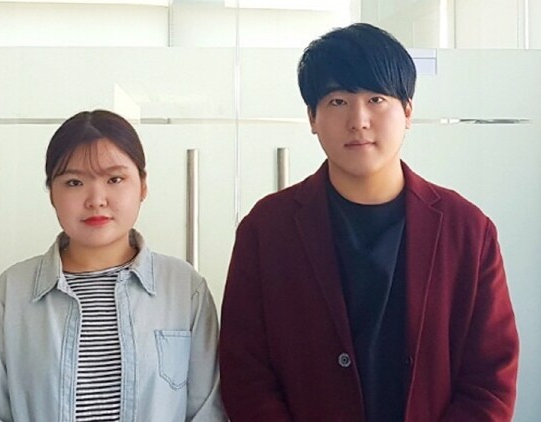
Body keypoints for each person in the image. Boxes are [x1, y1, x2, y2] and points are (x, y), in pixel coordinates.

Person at [219, 23, 519, 422]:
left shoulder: (466, 230)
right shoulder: (267, 229)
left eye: (376, 99)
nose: (358, 120)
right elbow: (245, 371)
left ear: (407, 111)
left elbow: (491, 377)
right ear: (312, 117)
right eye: (338, 101)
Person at [0, 110, 227, 422]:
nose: (96, 199)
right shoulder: (10, 293)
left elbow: (207, 410)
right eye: (74, 182)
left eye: (114, 179)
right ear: (52, 193)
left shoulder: (184, 288)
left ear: (143, 185)